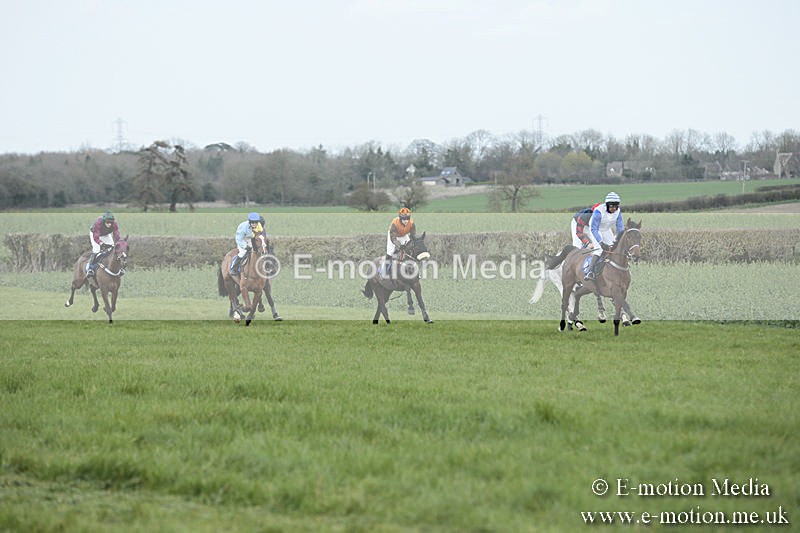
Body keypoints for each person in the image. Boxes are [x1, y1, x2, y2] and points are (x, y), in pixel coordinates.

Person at [584, 192, 623, 281]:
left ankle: (613, 268)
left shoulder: (618, 212)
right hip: (595, 230)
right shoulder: (598, 211)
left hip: (606, 230)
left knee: (613, 247)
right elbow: (594, 229)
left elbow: (620, 228)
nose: (613, 208)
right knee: (599, 249)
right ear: (607, 205)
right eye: (611, 206)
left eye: (615, 206)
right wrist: (601, 242)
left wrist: (618, 240)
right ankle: (589, 272)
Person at [383, 207, 416, 277]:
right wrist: (399, 245)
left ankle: (411, 267)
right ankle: (385, 270)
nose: (406, 221)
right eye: (404, 219)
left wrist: (412, 243)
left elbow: (413, 235)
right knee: (390, 251)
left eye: (407, 219)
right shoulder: (394, 223)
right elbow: (393, 238)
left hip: (403, 235)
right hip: (394, 236)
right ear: (400, 219)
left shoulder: (412, 223)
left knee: (410, 249)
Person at [87, 211, 121, 276]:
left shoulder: (114, 223)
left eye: (111, 223)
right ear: (104, 221)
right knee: (96, 250)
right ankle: (90, 269)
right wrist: (101, 243)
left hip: (106, 234)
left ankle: (117, 268)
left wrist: (119, 241)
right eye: (107, 223)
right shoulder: (98, 223)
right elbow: (96, 237)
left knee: (112, 248)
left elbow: (116, 234)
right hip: (95, 234)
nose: (109, 224)